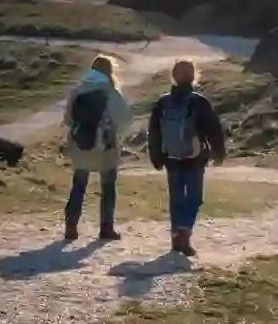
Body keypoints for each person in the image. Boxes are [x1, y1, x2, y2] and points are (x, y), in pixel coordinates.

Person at [147, 58, 226, 257]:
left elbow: (154, 131)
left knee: (176, 199)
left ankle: (176, 237)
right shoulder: (199, 101)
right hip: (195, 158)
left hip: (171, 158)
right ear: (193, 76)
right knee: (194, 198)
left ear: (173, 76)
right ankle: (184, 233)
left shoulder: (163, 102)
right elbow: (213, 129)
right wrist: (218, 152)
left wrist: (156, 155)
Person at [61, 54, 131, 242]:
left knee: (79, 185)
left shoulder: (77, 91)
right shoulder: (110, 92)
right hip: (105, 145)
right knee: (108, 187)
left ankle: (71, 225)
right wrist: (117, 134)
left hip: (80, 144)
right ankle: (106, 228)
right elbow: (125, 119)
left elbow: (67, 119)